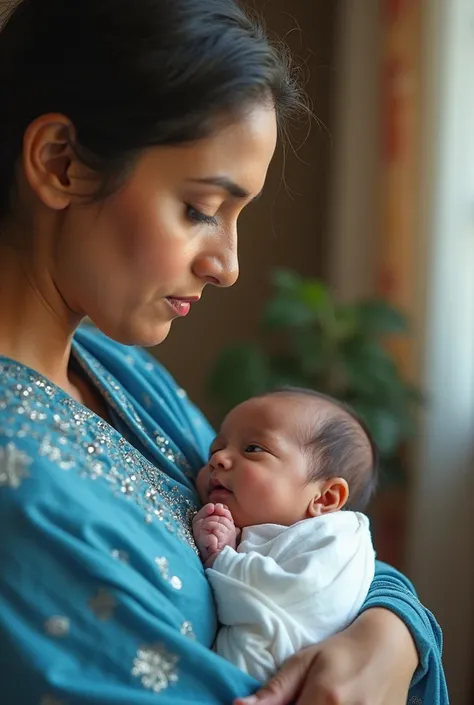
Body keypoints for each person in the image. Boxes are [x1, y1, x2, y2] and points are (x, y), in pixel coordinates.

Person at [0, 0, 448, 703]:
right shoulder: (19, 493)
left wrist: (391, 629)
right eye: (202, 207)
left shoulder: (118, 372)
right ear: (61, 163)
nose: (228, 264)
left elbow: (312, 536)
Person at [193, 389, 376, 681]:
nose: (219, 460)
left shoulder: (338, 539)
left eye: (253, 449)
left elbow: (292, 590)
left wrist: (221, 557)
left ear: (325, 498)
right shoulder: (273, 526)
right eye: (214, 450)